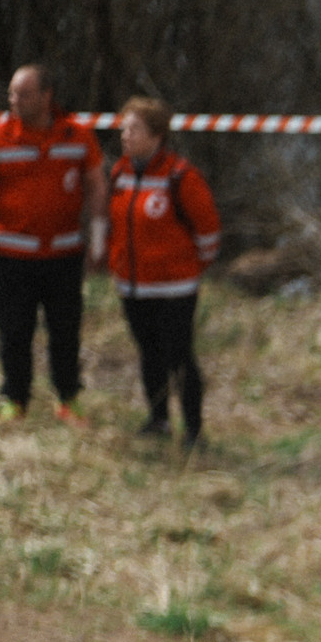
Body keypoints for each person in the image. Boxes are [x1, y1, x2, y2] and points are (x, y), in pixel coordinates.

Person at [0, 64, 107, 425]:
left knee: (65, 332)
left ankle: (68, 400)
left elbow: (96, 188)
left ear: (47, 96)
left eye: (23, 94)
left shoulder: (77, 135)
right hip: (13, 257)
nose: (14, 100)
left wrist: (99, 241)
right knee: (13, 332)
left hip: (64, 255)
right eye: (12, 93)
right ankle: (15, 400)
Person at [105, 97, 221, 446]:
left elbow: (208, 230)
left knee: (180, 357)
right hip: (133, 286)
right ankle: (158, 420)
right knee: (149, 354)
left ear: (156, 135)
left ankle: (194, 430)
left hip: (175, 288)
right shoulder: (120, 174)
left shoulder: (180, 176)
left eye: (133, 129)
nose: (125, 135)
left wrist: (191, 267)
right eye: (123, 128)